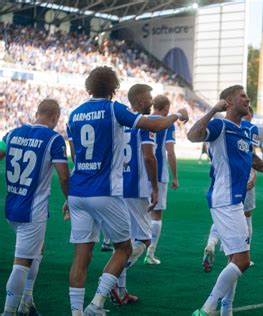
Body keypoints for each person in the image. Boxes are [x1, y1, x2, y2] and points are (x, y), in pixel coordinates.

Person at [66, 66, 188, 316]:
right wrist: (176, 115)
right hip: (104, 191)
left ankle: (76, 312)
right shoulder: (114, 108)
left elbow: (75, 154)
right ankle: (96, 303)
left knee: (81, 255)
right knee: (124, 248)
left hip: (77, 191)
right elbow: (155, 126)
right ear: (114, 89)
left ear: (89, 87)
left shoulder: (74, 114)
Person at [187, 85, 263, 316]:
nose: (248, 99)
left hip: (235, 202)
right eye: (242, 96)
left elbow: (252, 158)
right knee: (242, 261)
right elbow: (192, 135)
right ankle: (206, 310)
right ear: (229, 101)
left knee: (235, 259)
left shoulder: (243, 131)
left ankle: (226, 309)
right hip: (224, 199)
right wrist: (214, 110)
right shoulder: (220, 126)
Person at [2, 99, 70, 316]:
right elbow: (64, 176)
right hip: (32, 211)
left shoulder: (12, 133)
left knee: (37, 250)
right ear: (56, 117)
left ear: (37, 112)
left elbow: (1, 153)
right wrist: (70, 200)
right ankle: (9, 311)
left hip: (12, 206)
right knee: (21, 263)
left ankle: (27, 302)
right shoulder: (54, 139)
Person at [113, 84, 163, 304]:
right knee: (143, 239)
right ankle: (111, 278)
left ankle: (121, 292)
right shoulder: (145, 124)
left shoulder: (120, 121)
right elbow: (149, 157)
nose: (152, 102)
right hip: (136, 187)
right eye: (150, 98)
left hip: (117, 186)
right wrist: (155, 187)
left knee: (125, 241)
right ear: (141, 101)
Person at [202, 107, 260, 272]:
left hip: (221, 181)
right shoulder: (250, 128)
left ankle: (212, 243)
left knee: (225, 215)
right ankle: (240, 254)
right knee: (245, 215)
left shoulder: (221, 126)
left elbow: (210, 150)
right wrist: (254, 175)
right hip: (242, 178)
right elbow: (251, 155)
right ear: (250, 114)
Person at [144, 95, 180, 264]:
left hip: (139, 173)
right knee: (156, 215)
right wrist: (175, 177)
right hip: (157, 173)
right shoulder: (167, 124)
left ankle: (129, 248)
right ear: (166, 108)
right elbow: (170, 152)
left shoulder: (142, 120)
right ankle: (149, 254)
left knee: (138, 212)